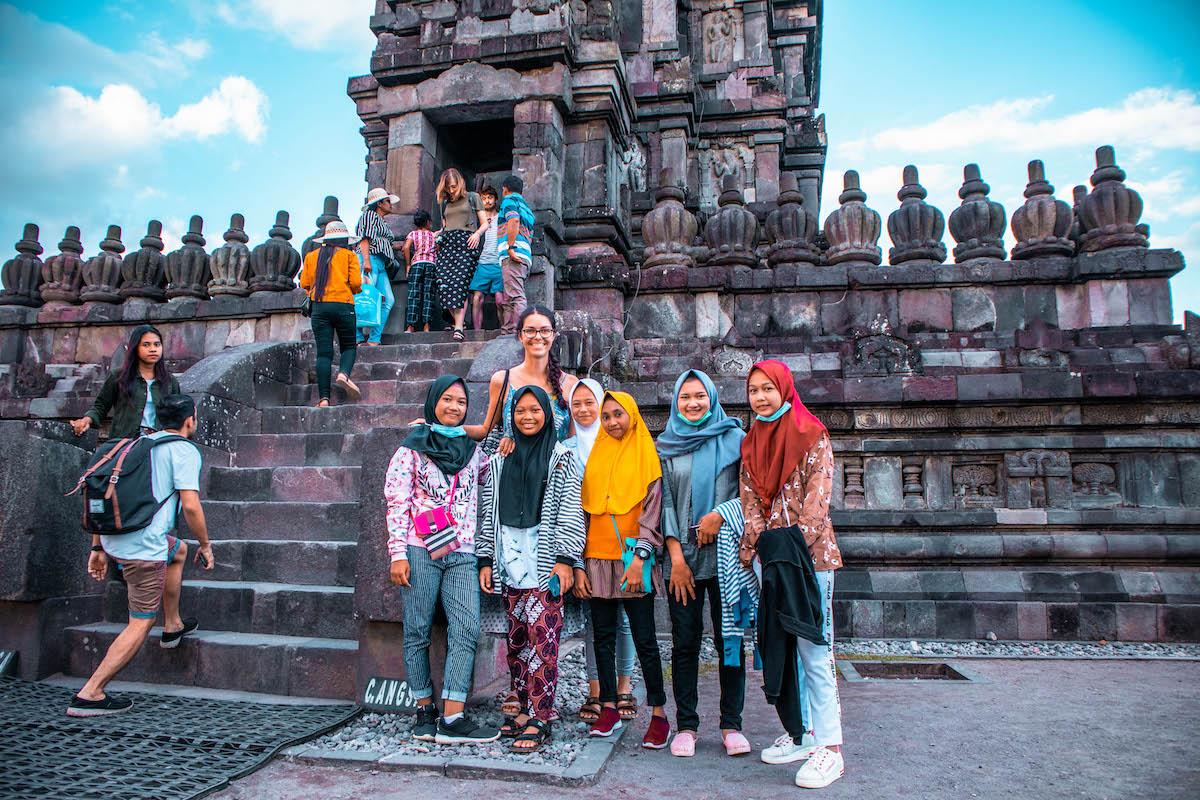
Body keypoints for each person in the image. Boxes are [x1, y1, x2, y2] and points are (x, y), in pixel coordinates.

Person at [67, 394, 214, 717]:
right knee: (139, 622)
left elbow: (105, 490)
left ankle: (173, 624)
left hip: (116, 538)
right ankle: (91, 692)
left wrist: (98, 547)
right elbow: (190, 505)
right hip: (143, 550)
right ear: (190, 420)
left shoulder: (138, 444)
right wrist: (206, 544)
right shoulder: (183, 451)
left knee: (177, 551)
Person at [739, 360, 844, 789]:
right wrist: (762, 549)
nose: (761, 397)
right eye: (754, 390)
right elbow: (749, 504)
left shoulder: (811, 434)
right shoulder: (751, 444)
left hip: (811, 560)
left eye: (768, 388)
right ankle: (803, 734)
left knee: (816, 650)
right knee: (784, 647)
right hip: (772, 561)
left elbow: (817, 506)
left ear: (784, 389)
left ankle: (831, 748)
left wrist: (785, 549)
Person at [384, 375, 498, 745]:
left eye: (461, 402)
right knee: (417, 629)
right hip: (420, 549)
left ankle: (453, 716)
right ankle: (424, 707)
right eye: (447, 400)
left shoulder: (472, 450)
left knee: (466, 627)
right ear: (433, 401)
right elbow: (397, 501)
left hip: (463, 551)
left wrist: (507, 442)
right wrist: (398, 554)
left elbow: (490, 475)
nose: (453, 407)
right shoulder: (412, 448)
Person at [477, 386, 586, 753]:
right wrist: (485, 559)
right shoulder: (498, 460)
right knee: (518, 640)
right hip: (509, 558)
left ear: (548, 414)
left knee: (545, 640)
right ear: (511, 416)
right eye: (520, 411)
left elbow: (571, 508)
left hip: (545, 561)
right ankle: (523, 709)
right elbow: (486, 512)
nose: (527, 417)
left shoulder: (561, 457)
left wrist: (566, 559)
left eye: (535, 411)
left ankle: (541, 715)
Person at [657, 369, 749, 758]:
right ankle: (687, 725)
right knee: (685, 642)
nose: (693, 403)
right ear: (676, 402)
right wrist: (676, 557)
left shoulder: (737, 440)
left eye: (700, 396)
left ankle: (732, 724)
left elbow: (754, 494)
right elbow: (662, 504)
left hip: (728, 559)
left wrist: (721, 514)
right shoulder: (665, 444)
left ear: (712, 397)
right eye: (685, 397)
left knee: (730, 639)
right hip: (684, 562)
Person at [577, 391, 670, 749]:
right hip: (597, 559)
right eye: (608, 416)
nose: (613, 421)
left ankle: (659, 714)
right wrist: (580, 564)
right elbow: (584, 512)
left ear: (631, 414)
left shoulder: (647, 455)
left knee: (646, 639)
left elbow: (652, 510)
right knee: (602, 637)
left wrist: (640, 558)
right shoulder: (596, 455)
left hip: (634, 561)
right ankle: (609, 707)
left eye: (619, 414)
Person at [564, 378, 638, 724]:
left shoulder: (620, 443)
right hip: (584, 545)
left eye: (589, 402)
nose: (583, 410)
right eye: (576, 403)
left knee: (623, 619)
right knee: (597, 621)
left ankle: (623, 686)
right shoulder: (565, 448)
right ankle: (595, 689)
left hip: (622, 544)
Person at [463, 305, 577, 446]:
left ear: (553, 335)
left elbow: (574, 440)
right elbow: (485, 430)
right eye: (530, 331)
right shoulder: (503, 380)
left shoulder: (570, 383)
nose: (538, 336)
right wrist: (440, 427)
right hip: (514, 465)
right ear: (520, 336)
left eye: (545, 330)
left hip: (556, 466)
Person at [71, 325, 180, 440]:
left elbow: (178, 415)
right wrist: (86, 420)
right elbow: (101, 406)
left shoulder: (169, 382)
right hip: (125, 443)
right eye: (146, 345)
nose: (153, 349)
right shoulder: (119, 377)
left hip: (159, 443)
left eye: (157, 344)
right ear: (135, 348)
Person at [299, 220, 363, 407]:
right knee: (349, 346)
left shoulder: (312, 256)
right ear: (344, 239)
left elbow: (305, 283)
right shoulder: (349, 256)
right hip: (343, 305)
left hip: (319, 307)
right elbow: (356, 284)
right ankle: (343, 374)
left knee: (324, 354)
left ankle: (324, 399)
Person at [434, 169, 488, 341]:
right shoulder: (444, 203)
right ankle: (460, 322)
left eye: (454, 186)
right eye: (448, 187)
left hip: (467, 241)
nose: (451, 190)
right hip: (448, 243)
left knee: (459, 284)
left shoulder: (472, 197)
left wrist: (477, 234)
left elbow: (485, 223)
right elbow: (445, 225)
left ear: (461, 183)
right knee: (443, 284)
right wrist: (438, 233)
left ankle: (458, 327)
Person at [355, 187, 401, 346]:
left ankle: (374, 339)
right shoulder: (369, 215)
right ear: (379, 203)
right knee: (362, 297)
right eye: (387, 201)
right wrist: (366, 260)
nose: (390, 204)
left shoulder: (382, 221)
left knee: (388, 300)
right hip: (369, 259)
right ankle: (357, 337)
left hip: (381, 263)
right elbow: (364, 239)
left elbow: (383, 242)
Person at [497, 174, 535, 335]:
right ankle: (508, 330)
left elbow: (513, 220)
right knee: (509, 296)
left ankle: (519, 331)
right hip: (524, 255)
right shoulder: (527, 209)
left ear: (505, 189)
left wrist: (510, 247)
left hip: (514, 253)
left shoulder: (509, 201)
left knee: (516, 296)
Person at [468, 184, 503, 332]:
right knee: (476, 298)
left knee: (500, 300)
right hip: (483, 263)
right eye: (484, 199)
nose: (487, 201)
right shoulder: (478, 219)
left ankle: (504, 330)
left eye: (490, 198)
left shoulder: (502, 217)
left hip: (499, 263)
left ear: (495, 200)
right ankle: (476, 331)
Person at [401, 210, 437, 333]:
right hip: (431, 264)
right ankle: (427, 326)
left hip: (416, 264)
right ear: (428, 222)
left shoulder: (413, 234)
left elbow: (406, 247)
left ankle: (410, 326)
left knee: (413, 294)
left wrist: (408, 264)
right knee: (429, 294)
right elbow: (438, 249)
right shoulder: (433, 235)